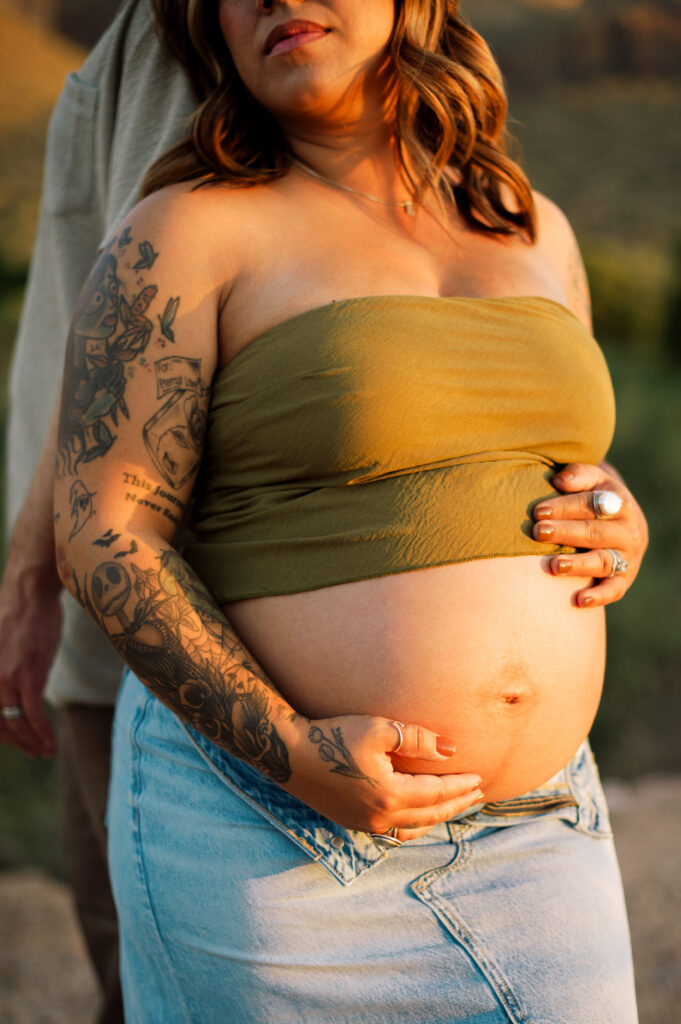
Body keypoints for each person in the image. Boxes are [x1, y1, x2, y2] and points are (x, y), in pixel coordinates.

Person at [7, 0, 646, 1019]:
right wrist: (292, 754)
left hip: (537, 825)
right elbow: (106, 529)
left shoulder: (529, 219)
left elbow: (552, 445)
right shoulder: (186, 231)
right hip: (268, 841)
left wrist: (618, 507)